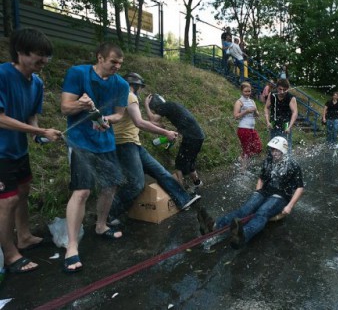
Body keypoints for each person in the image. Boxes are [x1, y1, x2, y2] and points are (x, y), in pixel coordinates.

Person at [61, 42, 129, 273]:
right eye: (113, 62)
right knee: (82, 191)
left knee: (110, 187)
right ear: (100, 58)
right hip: (80, 141)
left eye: (120, 63)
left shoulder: (122, 84)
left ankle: (101, 225)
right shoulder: (78, 73)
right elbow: (64, 108)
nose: (117, 67)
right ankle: (72, 247)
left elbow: (120, 114)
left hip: (105, 142)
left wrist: (107, 119)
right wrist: (80, 104)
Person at [0, 28, 61, 274]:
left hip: (18, 149)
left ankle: (23, 236)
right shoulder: (2, 74)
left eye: (47, 56)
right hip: (0, 152)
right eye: (39, 55)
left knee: (23, 190)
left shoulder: (37, 83)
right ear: (20, 52)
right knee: (8, 200)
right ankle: (9, 253)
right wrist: (39, 131)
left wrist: (39, 134)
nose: (44, 61)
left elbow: (31, 116)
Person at [108, 73, 201, 225]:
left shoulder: (121, 95)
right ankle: (109, 214)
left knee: (161, 172)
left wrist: (159, 127)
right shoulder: (130, 96)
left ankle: (183, 200)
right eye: (140, 87)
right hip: (125, 145)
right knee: (136, 184)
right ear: (136, 86)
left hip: (133, 143)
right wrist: (165, 132)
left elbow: (138, 121)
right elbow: (139, 122)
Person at [197, 136, 304, 248]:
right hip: (265, 191)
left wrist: (290, 206)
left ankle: (242, 236)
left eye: (277, 150)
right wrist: (257, 193)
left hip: (281, 196)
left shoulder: (293, 165)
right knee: (245, 209)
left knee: (262, 212)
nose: (274, 153)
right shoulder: (268, 161)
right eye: (272, 149)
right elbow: (261, 178)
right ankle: (213, 226)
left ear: (283, 150)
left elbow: (300, 188)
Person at [145, 93, 205, 191]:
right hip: (198, 136)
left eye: (153, 110)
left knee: (179, 165)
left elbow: (152, 119)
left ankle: (181, 191)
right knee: (189, 163)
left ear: (155, 105)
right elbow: (183, 120)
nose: (154, 112)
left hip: (191, 137)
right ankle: (197, 183)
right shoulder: (170, 105)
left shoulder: (164, 106)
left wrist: (146, 104)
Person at [233, 82, 262, 173]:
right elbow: (236, 116)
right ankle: (243, 171)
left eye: (249, 91)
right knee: (247, 150)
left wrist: (256, 112)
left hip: (252, 129)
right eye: (245, 91)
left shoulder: (252, 101)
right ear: (241, 91)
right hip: (243, 128)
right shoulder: (239, 102)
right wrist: (246, 111)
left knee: (258, 148)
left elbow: (257, 115)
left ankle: (241, 159)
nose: (248, 93)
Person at [264, 79, 298, 154]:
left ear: (288, 89)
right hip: (273, 124)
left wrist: (290, 127)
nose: (282, 92)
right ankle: (270, 163)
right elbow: (266, 108)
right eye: (280, 89)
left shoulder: (291, 98)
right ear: (277, 87)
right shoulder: (272, 95)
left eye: (284, 90)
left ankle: (287, 162)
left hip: (285, 126)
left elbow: (295, 112)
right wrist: (267, 122)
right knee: (272, 147)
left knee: (285, 148)